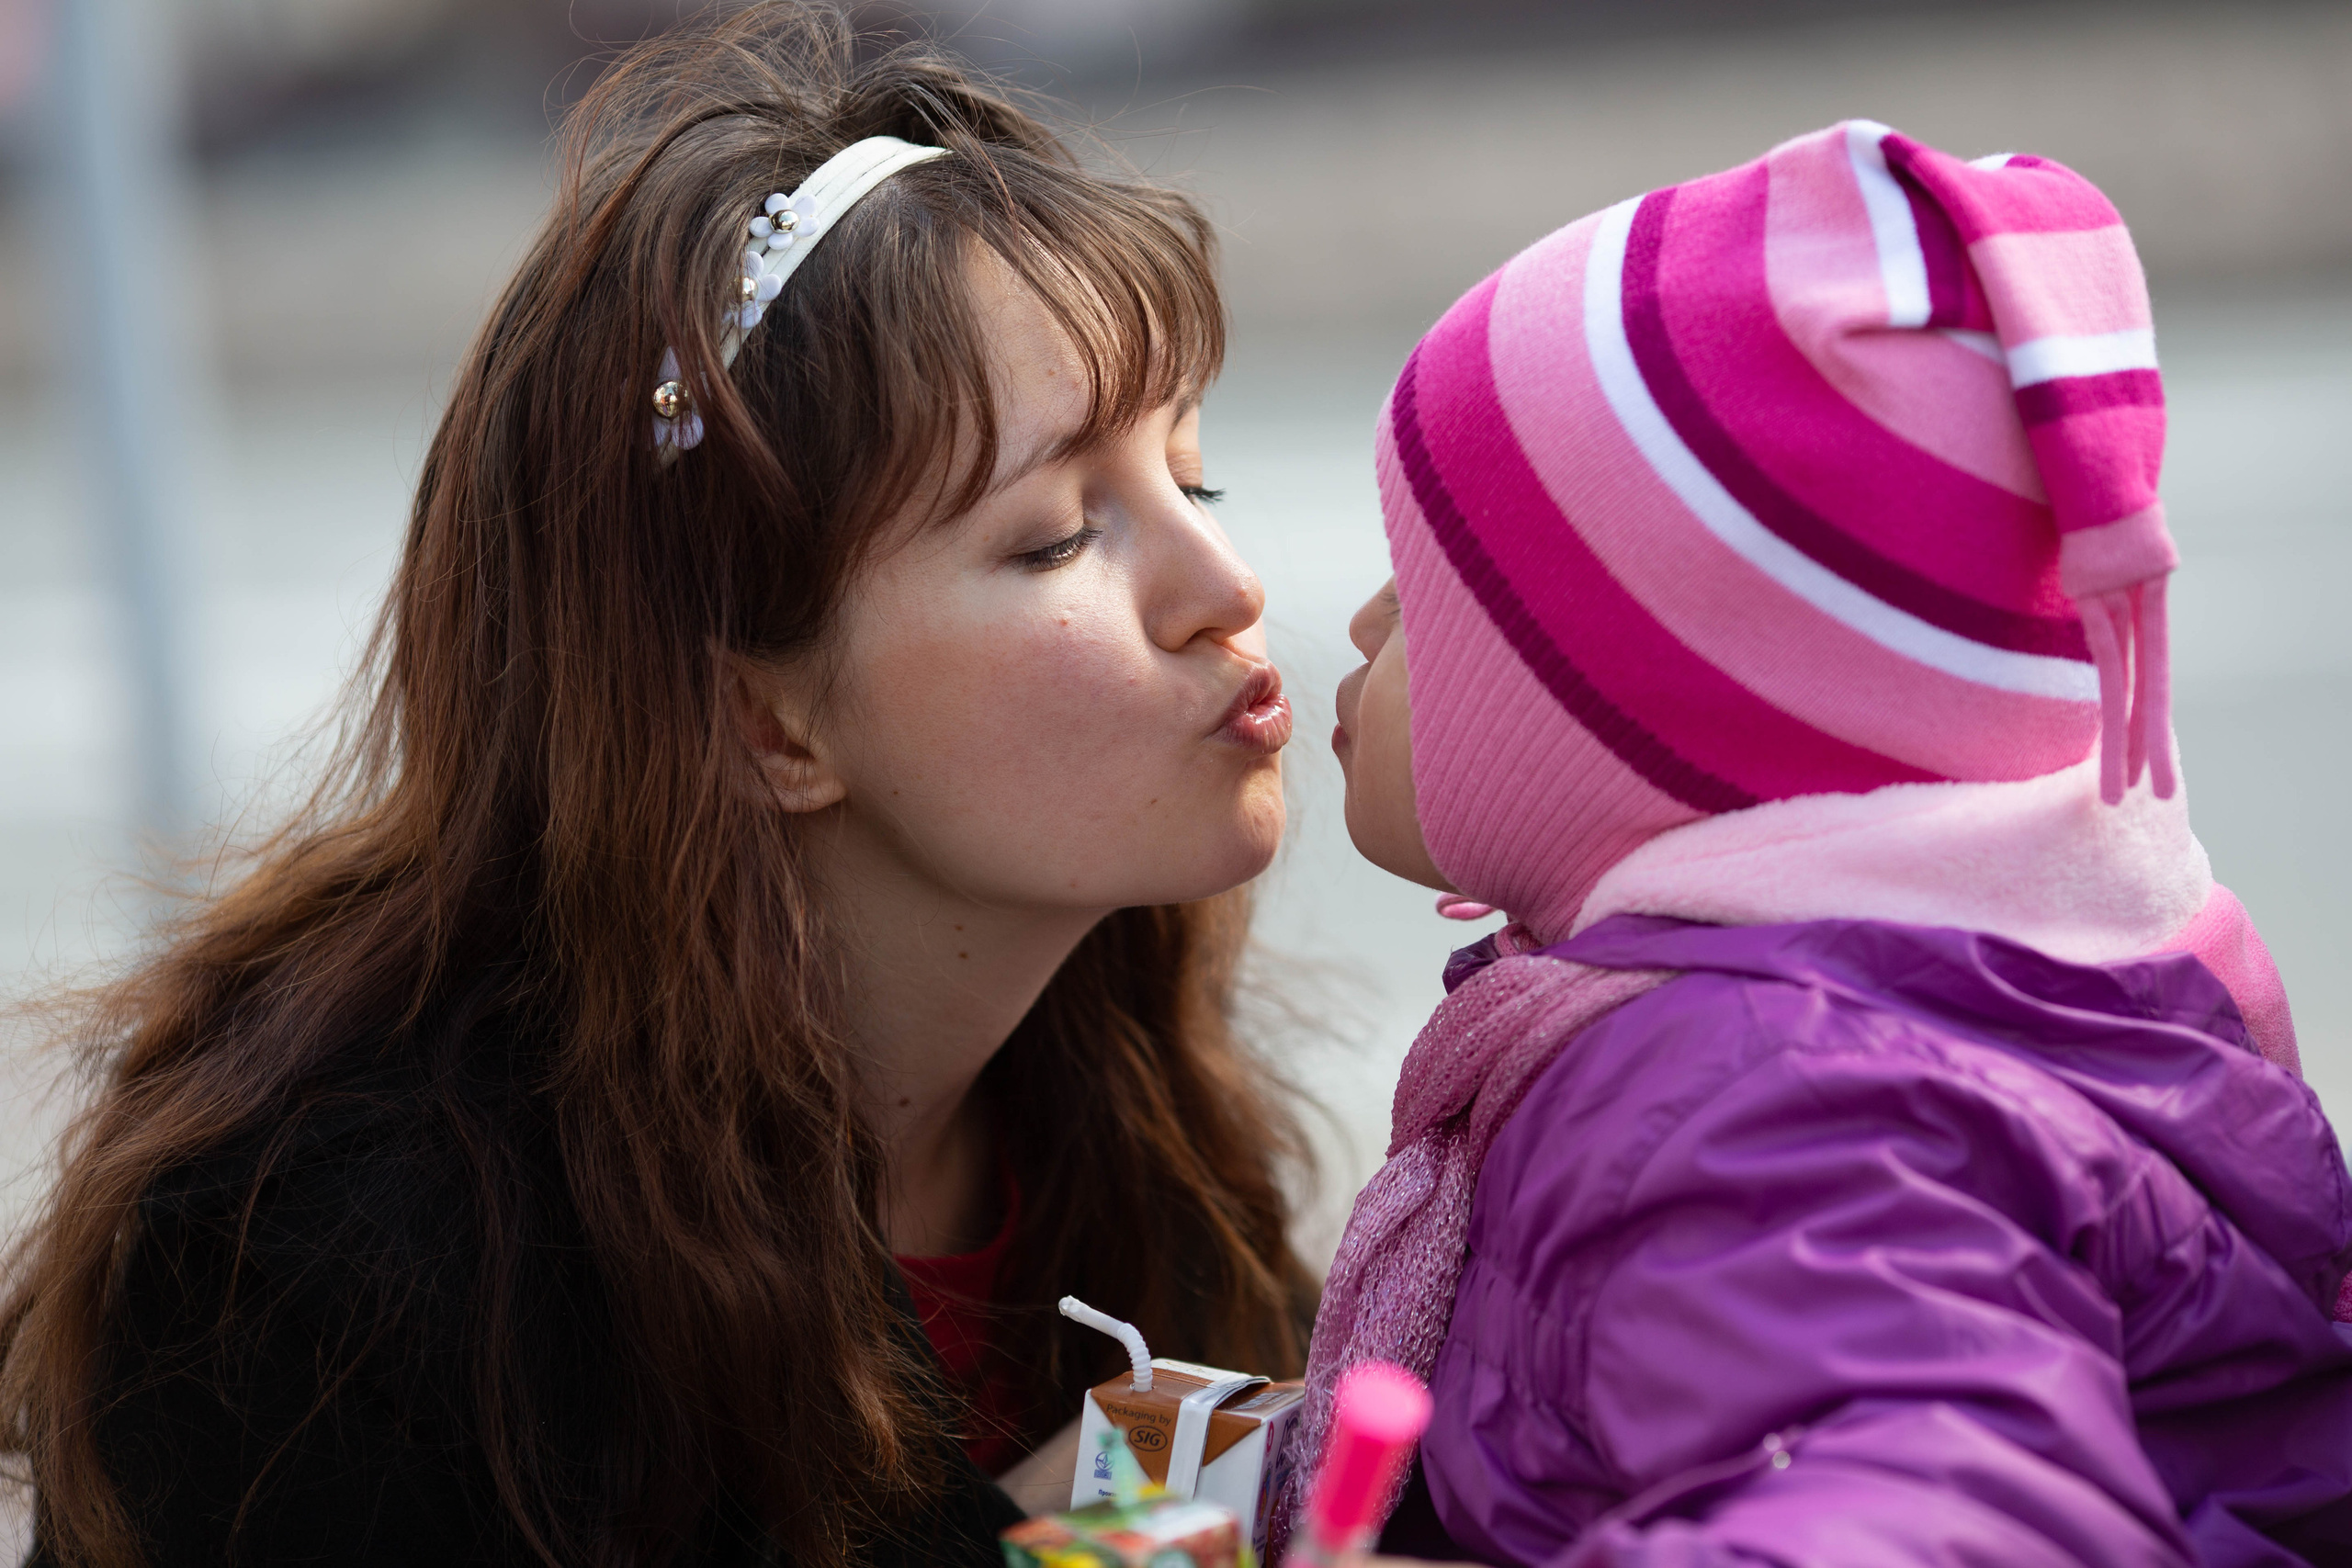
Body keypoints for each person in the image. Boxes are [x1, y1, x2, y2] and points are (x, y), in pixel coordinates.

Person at [0, 6, 1318, 1564]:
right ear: (764, 724)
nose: (1222, 582)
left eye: (1191, 472)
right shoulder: (336, 1260)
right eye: (1053, 538)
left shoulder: (1136, 1119)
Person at [1301, 121, 2352, 1565]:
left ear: (1627, 697)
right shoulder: (1933, 1004)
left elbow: (1943, 1518)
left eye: (1422, 590)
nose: (1361, 625)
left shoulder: (1753, 1104)